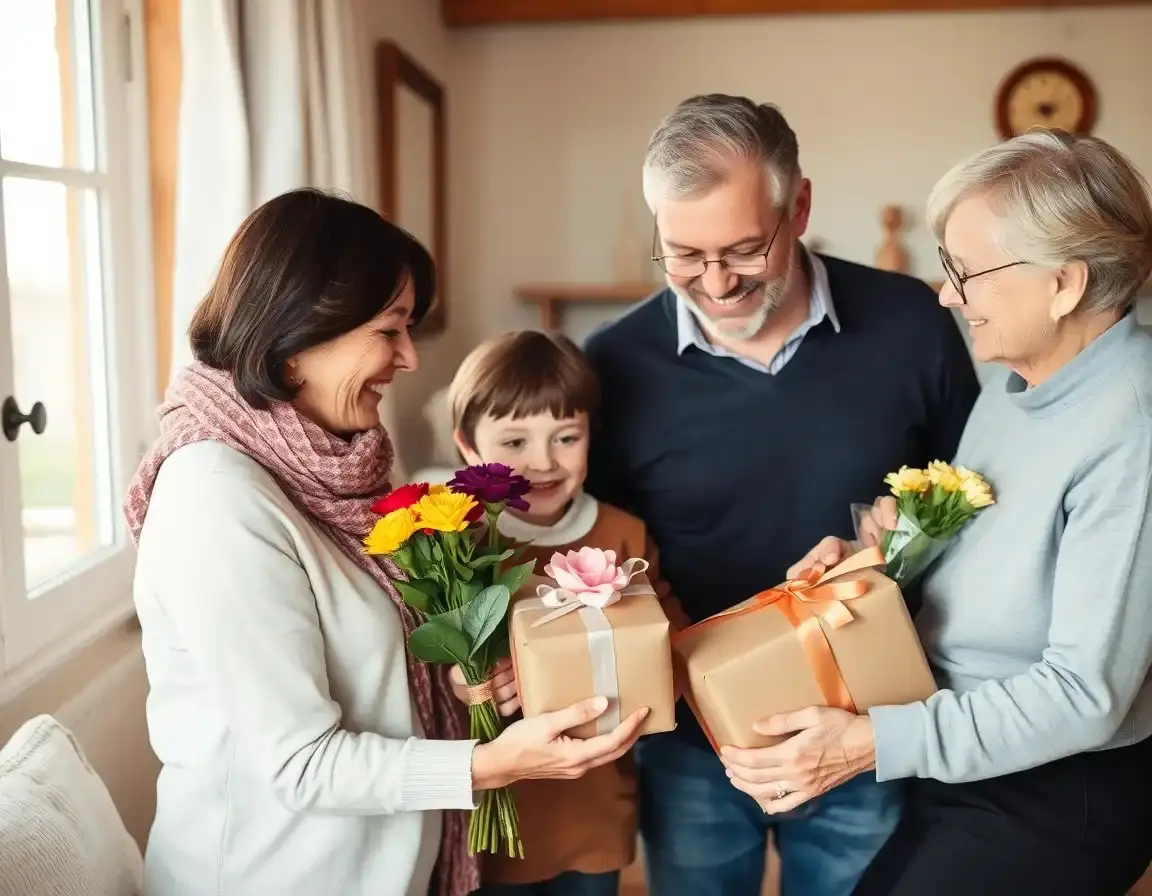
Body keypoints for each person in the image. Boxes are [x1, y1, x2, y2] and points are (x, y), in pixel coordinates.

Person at [123, 189, 649, 896]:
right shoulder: (215, 496)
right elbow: (301, 764)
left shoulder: (331, 469)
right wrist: (490, 764)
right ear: (302, 331)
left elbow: (372, 671)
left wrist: (466, 682)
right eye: (390, 329)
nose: (407, 358)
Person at [724, 129, 1152, 896]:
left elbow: (1084, 695)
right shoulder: (1015, 387)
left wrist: (868, 744)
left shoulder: (1135, 424)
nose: (948, 294)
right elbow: (996, 569)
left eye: (967, 271)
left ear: (1065, 283)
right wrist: (881, 559)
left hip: (1057, 792)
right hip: (964, 761)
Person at [582, 94, 981, 896]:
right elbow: (598, 553)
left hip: (864, 727)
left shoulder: (913, 324)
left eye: (743, 250)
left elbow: (969, 498)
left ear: (798, 206)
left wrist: (894, 541)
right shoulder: (612, 362)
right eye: (684, 256)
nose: (717, 284)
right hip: (694, 747)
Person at [444, 330, 691, 896]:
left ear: (590, 435)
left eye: (565, 437)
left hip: (595, 804)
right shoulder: (456, 543)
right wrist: (463, 680)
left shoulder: (623, 533)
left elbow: (668, 634)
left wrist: (659, 671)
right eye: (513, 442)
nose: (542, 463)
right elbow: (423, 656)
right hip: (494, 812)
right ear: (466, 446)